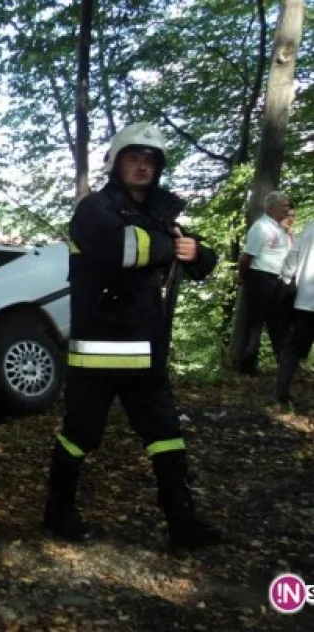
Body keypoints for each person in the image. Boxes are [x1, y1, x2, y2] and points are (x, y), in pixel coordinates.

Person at [43, 122, 223, 549]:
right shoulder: (94, 210)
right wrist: (169, 245)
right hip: (98, 352)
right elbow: (122, 248)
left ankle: (183, 523)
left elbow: (198, 258)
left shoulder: (160, 214)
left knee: (166, 435)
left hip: (146, 350)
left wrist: (197, 251)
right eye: (133, 158)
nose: (141, 167)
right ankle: (57, 511)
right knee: (80, 435)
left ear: (158, 168)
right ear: (116, 162)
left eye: (149, 161)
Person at [236, 192, 294, 375]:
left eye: (287, 205)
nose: (287, 209)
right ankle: (247, 366)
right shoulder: (260, 227)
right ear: (271, 207)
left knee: (279, 323)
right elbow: (246, 257)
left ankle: (284, 366)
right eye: (283, 206)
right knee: (255, 323)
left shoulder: (279, 229)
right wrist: (242, 275)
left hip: (279, 281)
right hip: (261, 278)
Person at [274, 217, 314, 412]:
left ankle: (280, 394)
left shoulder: (310, 226)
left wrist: (288, 279)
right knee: (294, 347)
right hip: (306, 299)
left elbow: (293, 255)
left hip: (305, 298)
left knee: (294, 347)